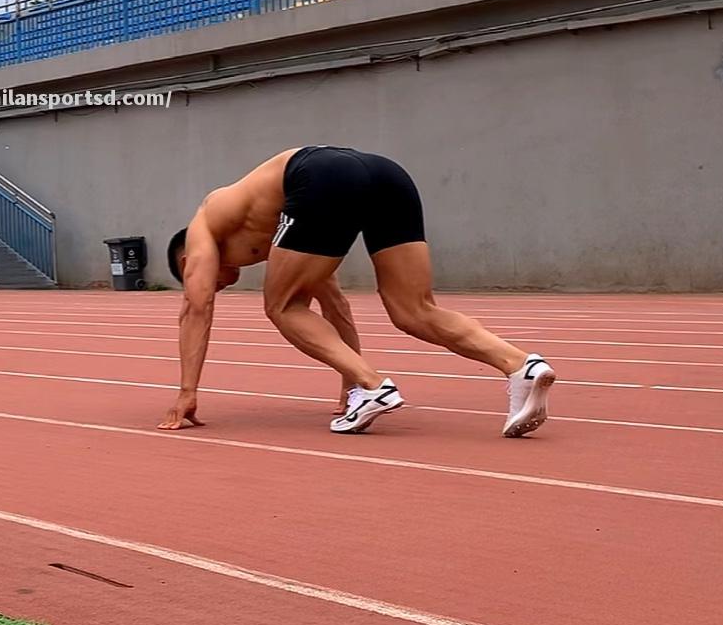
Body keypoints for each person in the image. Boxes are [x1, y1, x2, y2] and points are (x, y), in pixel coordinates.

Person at [156, 145, 556, 437]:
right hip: (384, 174)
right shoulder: (282, 233)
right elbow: (335, 305)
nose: (216, 286)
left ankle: (374, 388)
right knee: (413, 310)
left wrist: (186, 393)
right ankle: (521, 365)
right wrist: (348, 384)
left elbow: (196, 306)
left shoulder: (203, 226)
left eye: (197, 274)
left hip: (318, 174)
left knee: (281, 306)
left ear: (187, 263)